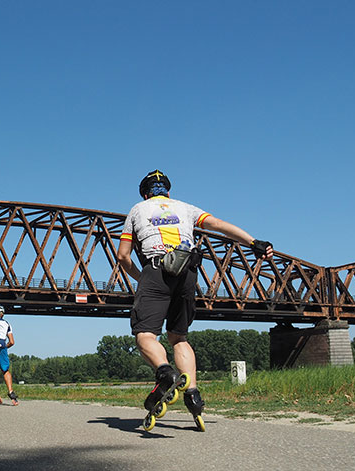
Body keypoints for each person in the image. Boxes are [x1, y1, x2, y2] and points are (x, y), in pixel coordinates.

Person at [116, 169, 273, 431]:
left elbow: (123, 256)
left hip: (156, 271)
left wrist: (141, 277)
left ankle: (165, 373)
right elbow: (218, 224)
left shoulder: (137, 210)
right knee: (179, 338)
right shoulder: (186, 208)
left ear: (145, 193)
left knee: (145, 336)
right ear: (168, 191)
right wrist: (253, 241)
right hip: (187, 273)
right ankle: (193, 395)